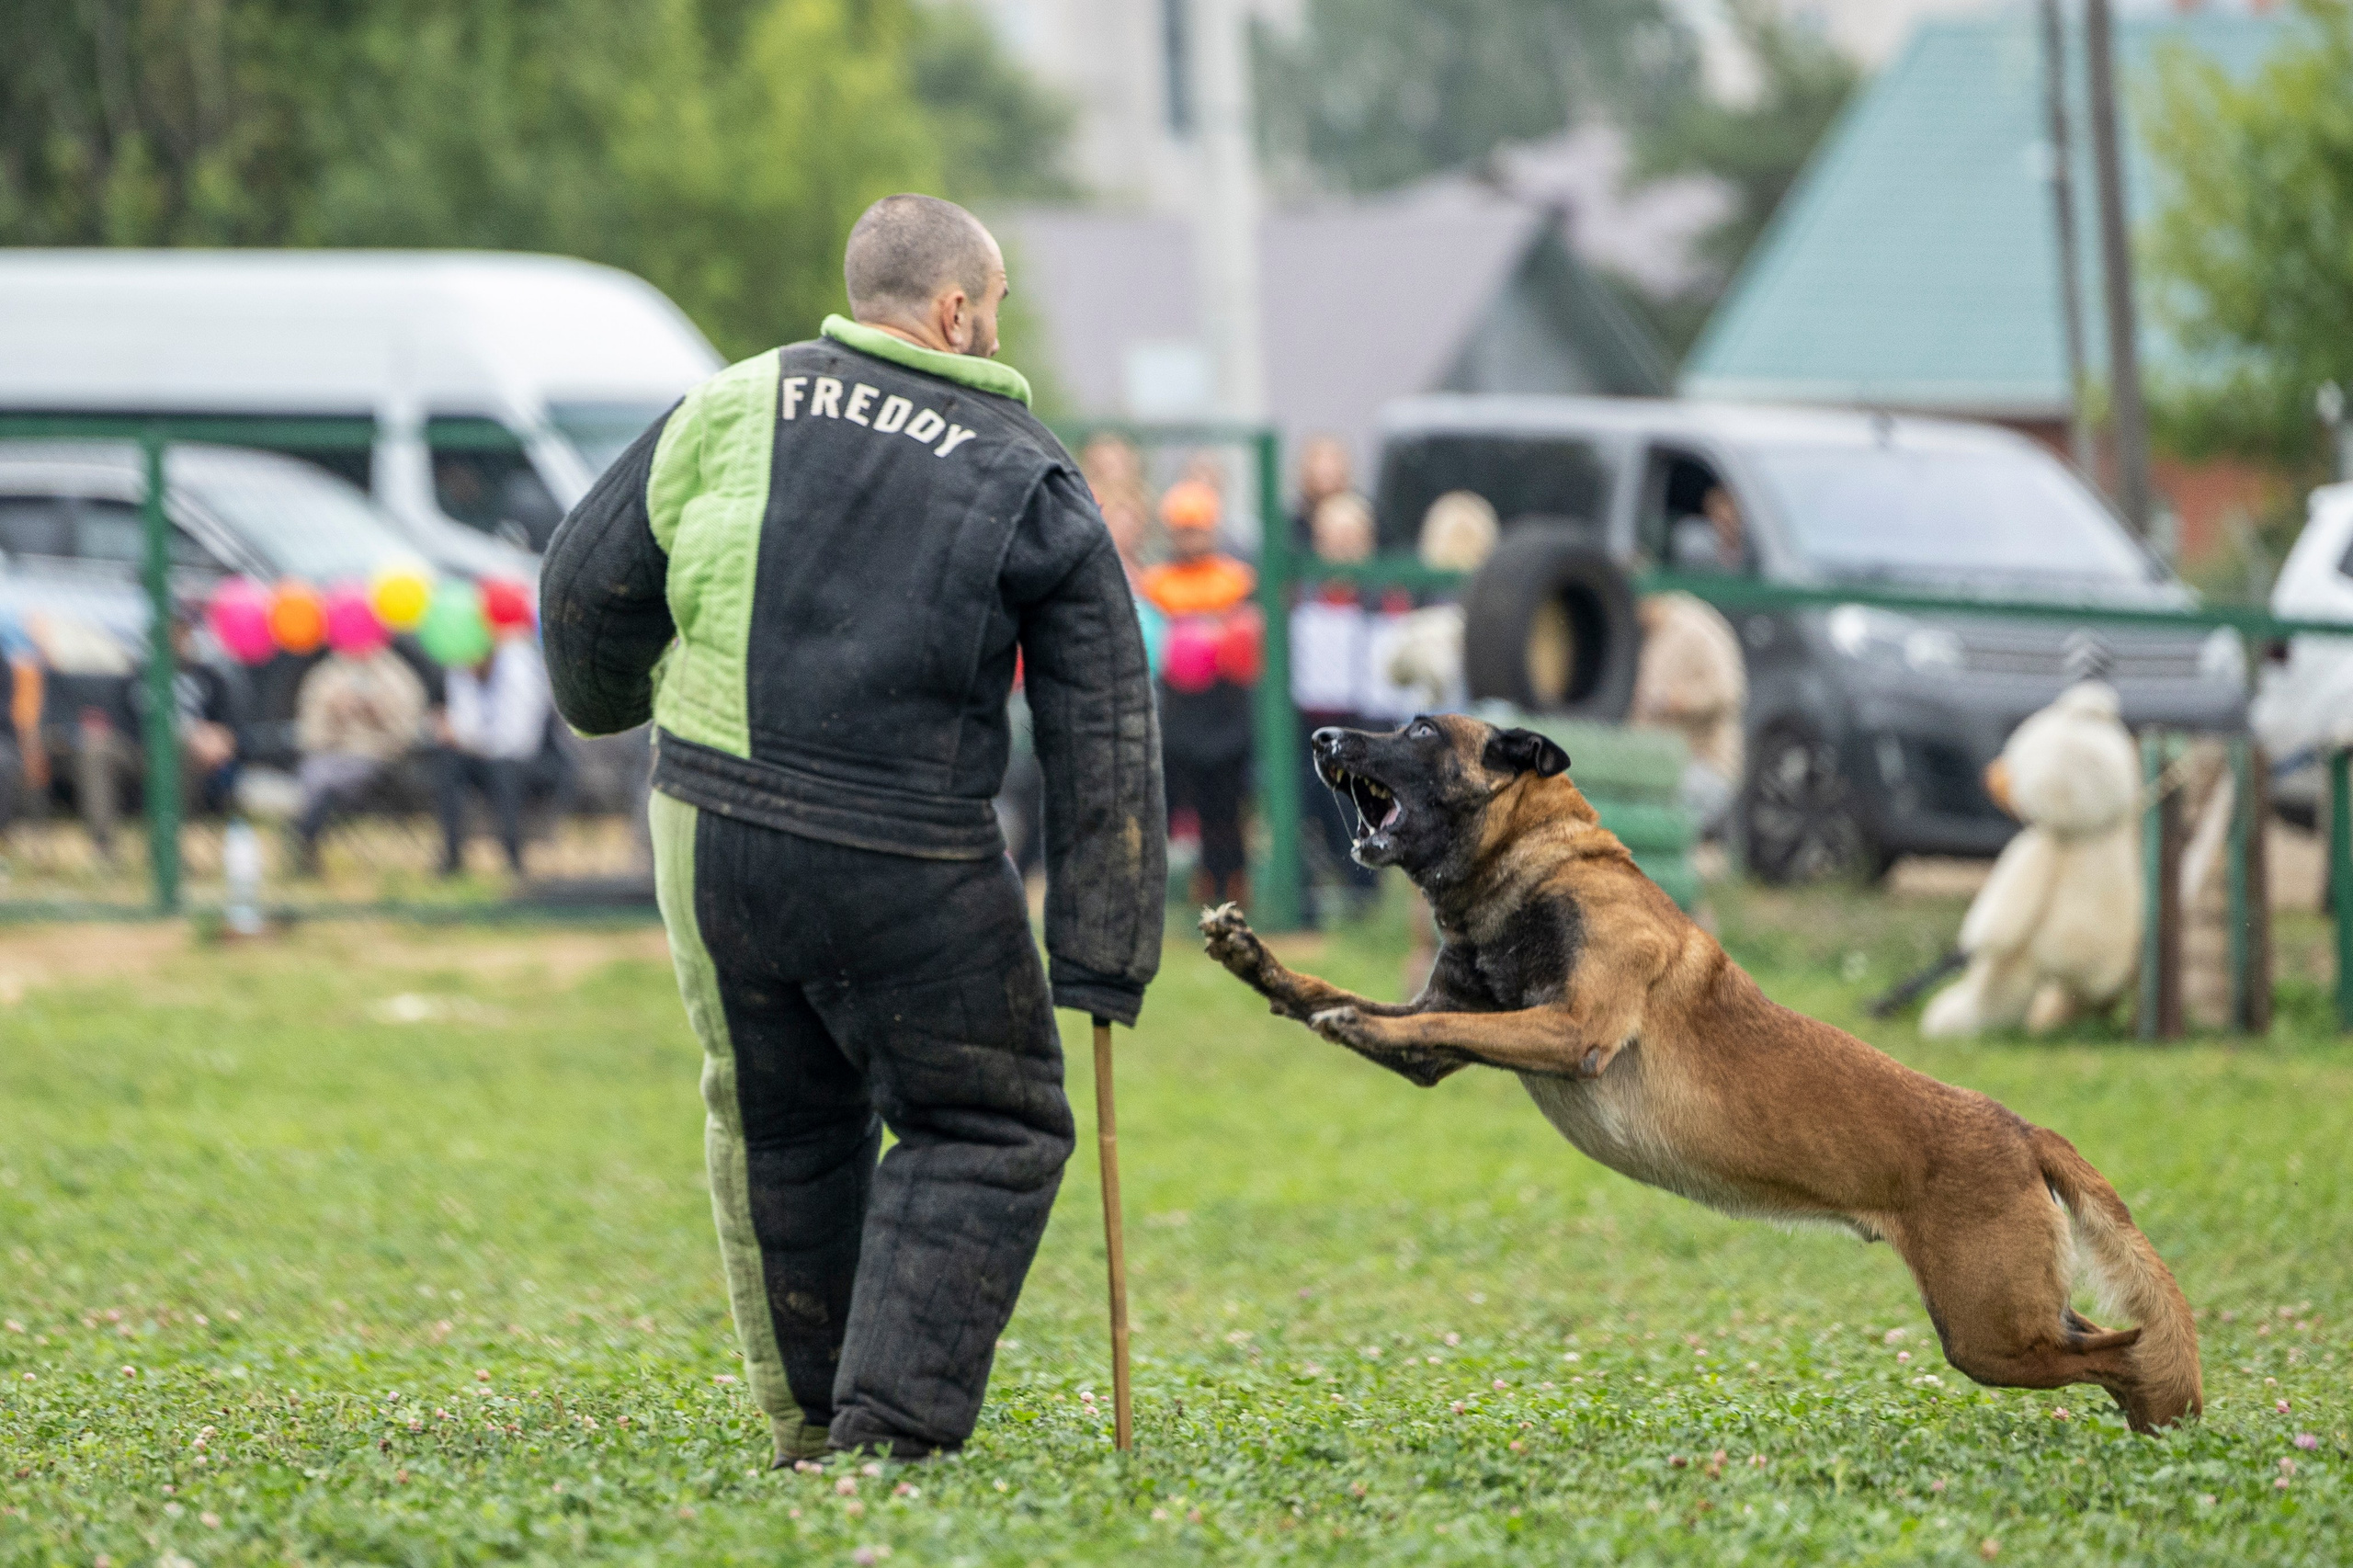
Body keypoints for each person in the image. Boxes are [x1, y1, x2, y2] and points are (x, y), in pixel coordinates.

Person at [539, 193, 1164, 1465]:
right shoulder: (1026, 465)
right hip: (906, 850)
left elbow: (583, 587)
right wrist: (1102, 952)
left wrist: (614, 705)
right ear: (954, 310)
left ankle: (814, 1421)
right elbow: (1102, 721)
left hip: (708, 821)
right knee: (988, 1120)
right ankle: (890, 1432)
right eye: (988, 309)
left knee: (780, 1122)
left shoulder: (729, 400)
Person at [1139, 478, 1259, 908]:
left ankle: (1229, 887)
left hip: (1225, 711)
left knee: (1224, 810)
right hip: (1174, 712)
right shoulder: (1156, 583)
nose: (1189, 537)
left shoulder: (1237, 580)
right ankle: (1155, 894)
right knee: (1165, 805)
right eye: (1182, 528)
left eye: (1197, 528)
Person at [1289, 492, 1380, 920]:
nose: (1343, 546)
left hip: (1367, 722)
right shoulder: (1301, 590)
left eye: (1352, 537)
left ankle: (1365, 896)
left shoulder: (1383, 592)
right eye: (1334, 536)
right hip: (1310, 722)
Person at [288, 639, 426, 875]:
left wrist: (380, 714)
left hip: (378, 761)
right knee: (316, 773)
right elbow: (308, 735)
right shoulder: (327, 675)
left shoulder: (396, 676)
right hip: (331, 753)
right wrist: (334, 713)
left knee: (325, 777)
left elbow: (408, 736)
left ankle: (303, 837)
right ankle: (305, 841)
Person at [433, 629, 552, 876]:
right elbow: (463, 723)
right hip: (484, 755)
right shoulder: (463, 669)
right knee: (448, 765)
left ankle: (513, 860)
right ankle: (452, 857)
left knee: (503, 772)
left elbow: (518, 738)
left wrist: (466, 737)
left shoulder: (520, 670)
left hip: (530, 760)